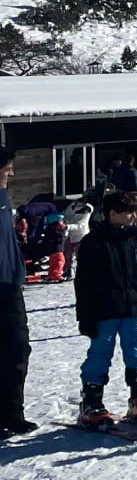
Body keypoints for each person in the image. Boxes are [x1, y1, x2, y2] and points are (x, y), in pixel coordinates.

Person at [72, 192, 137, 428]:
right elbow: (83, 283)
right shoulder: (93, 242)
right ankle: (91, 403)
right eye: (128, 212)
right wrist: (85, 317)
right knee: (100, 353)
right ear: (112, 214)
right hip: (104, 310)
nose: (134, 216)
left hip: (135, 307)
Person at [0, 149, 33, 439]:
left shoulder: (5, 198)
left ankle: (13, 414)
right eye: (7, 168)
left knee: (18, 348)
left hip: (10, 284)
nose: (11, 173)